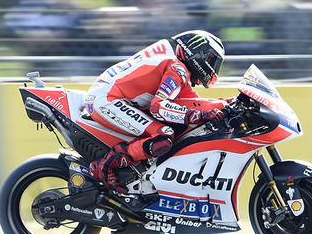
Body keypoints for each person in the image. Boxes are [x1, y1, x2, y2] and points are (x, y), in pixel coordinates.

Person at [85, 30, 228, 193]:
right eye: (211, 60)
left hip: (110, 98)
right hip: (107, 100)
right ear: (198, 55)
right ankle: (105, 166)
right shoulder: (176, 68)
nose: (213, 68)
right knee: (163, 135)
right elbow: (158, 107)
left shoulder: (178, 70)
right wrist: (198, 116)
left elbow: (198, 103)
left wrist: (230, 103)